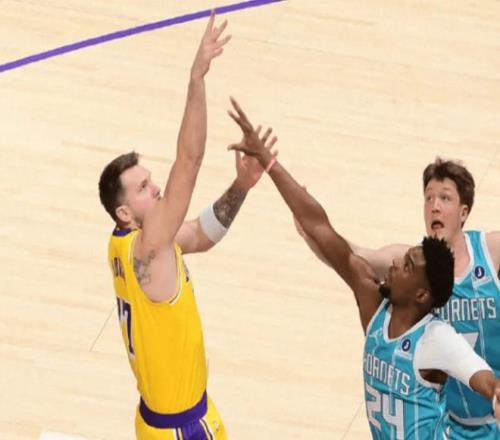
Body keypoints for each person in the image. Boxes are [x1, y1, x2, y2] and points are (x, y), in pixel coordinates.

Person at [225, 97, 500, 439]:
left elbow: (482, 377)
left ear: (421, 294)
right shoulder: (372, 304)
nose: (395, 264)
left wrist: (495, 392)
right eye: (429, 197)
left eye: (406, 265)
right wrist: (269, 162)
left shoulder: (436, 338)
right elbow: (322, 228)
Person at [98, 16, 276, 440]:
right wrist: (197, 78)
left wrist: (242, 186)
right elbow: (189, 161)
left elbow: (200, 235)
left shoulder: (127, 244)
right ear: (125, 213)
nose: (157, 188)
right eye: (143, 188)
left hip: (163, 417)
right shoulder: (148, 248)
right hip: (182, 428)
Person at [295, 158, 500, 438]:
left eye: (444, 198)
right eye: (428, 198)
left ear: (463, 212)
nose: (435, 206)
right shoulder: (411, 267)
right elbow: (352, 258)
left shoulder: (489, 251)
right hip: (447, 422)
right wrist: (312, 233)